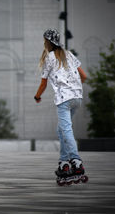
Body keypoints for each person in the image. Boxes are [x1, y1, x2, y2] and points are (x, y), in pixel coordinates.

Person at [34, 28, 88, 185]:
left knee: (66, 129)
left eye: (45, 41)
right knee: (61, 129)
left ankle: (76, 162)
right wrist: (74, 87)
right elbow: (83, 76)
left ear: (48, 43)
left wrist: (37, 96)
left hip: (64, 99)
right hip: (77, 97)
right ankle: (64, 163)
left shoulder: (49, 58)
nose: (44, 43)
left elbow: (43, 83)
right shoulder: (69, 54)